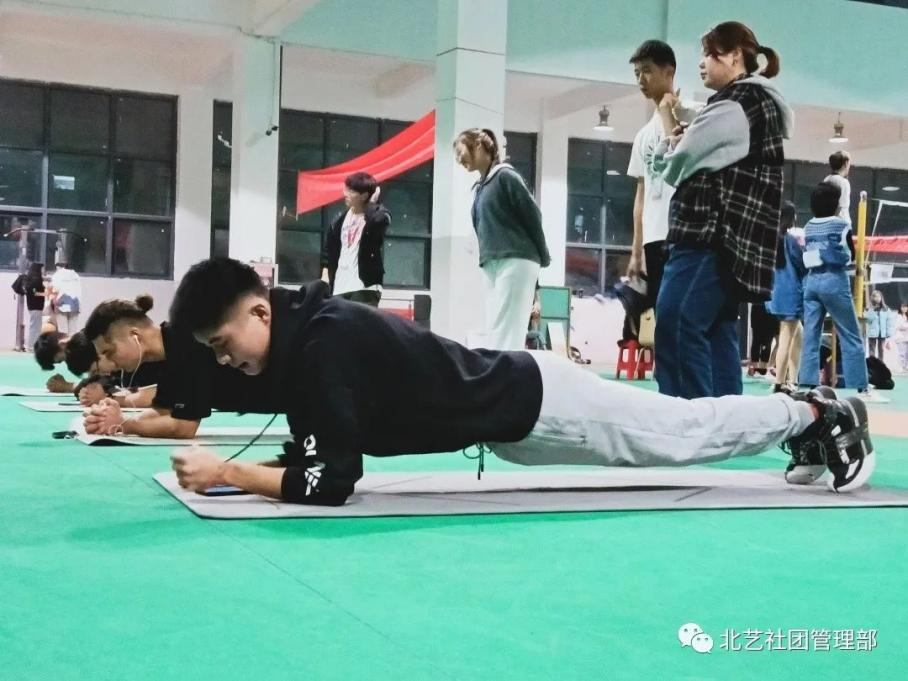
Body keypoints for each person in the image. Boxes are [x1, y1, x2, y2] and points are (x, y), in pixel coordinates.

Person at [166, 258, 873, 506]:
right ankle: (801, 415)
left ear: (260, 312)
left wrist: (227, 471)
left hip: (543, 404)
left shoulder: (323, 344)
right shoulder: (304, 339)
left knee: (684, 435)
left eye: (224, 346)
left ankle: (813, 414)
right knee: (680, 433)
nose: (225, 363)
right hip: (518, 422)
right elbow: (316, 452)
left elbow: (333, 481)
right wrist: (236, 475)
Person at [651, 22, 792, 399]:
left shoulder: (734, 104)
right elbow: (700, 132)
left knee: (677, 323)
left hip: (708, 234)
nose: (702, 63)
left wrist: (669, 133)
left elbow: (675, 166)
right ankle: (729, 423)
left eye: (709, 54)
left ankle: (689, 421)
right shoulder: (756, 102)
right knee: (716, 332)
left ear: (734, 56)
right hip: (732, 242)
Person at [81, 295, 274, 439]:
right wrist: (110, 418)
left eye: (109, 351)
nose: (110, 362)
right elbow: (163, 411)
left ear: (135, 336)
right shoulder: (169, 350)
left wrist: (124, 425)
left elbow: (184, 427)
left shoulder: (188, 341)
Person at [454, 128, 551, 350]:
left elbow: (533, 216)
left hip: (516, 258)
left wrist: (543, 256)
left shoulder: (505, 176)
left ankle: (506, 369)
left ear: (479, 146)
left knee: (507, 330)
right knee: (496, 327)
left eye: (460, 151)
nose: (459, 159)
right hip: (493, 262)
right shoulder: (481, 186)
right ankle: (499, 368)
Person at [626, 40, 702, 309]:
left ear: (669, 72)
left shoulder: (695, 116)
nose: (641, 80)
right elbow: (641, 196)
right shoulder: (642, 135)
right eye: (637, 73)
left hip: (685, 234)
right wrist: (636, 251)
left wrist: (668, 114)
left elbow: (683, 164)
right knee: (662, 316)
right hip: (654, 238)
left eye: (647, 71)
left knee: (684, 314)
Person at [798, 182, 883, 402]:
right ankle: (861, 387)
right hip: (834, 281)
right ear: (835, 204)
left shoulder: (808, 226)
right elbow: (850, 255)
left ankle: (806, 384)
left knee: (810, 336)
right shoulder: (840, 225)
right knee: (850, 335)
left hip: (811, 282)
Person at [320, 172, 390, 308]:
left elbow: (378, 221)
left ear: (364, 195)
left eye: (351, 191)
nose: (345, 194)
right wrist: (325, 275)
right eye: (346, 189)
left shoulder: (379, 214)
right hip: (339, 286)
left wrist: (372, 203)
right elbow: (328, 251)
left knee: (359, 322)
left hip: (365, 286)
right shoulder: (339, 219)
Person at [766, 202, 806, 392]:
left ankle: (793, 380)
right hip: (791, 295)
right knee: (786, 339)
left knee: (798, 336)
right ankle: (779, 383)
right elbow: (802, 264)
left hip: (775, 295)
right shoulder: (789, 241)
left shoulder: (769, 240)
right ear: (791, 218)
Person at [11, 262, 46, 349]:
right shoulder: (36, 280)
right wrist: (45, 293)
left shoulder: (31, 279)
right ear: (38, 269)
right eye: (42, 269)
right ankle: (30, 345)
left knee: (35, 326)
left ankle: (32, 345)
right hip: (36, 306)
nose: (43, 271)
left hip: (32, 306)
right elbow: (34, 293)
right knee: (35, 327)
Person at [48, 260, 82, 334]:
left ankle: (64, 341)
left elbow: (53, 290)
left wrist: (52, 303)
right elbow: (79, 291)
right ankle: (72, 341)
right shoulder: (76, 276)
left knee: (62, 331)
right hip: (74, 305)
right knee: (73, 331)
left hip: (61, 304)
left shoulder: (57, 275)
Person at [824, 151, 852, 224]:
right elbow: (839, 206)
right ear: (846, 163)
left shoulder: (826, 179)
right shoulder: (844, 182)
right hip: (840, 223)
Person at [864, 289, 891, 361]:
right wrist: (872, 310)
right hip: (872, 333)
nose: (877, 298)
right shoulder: (868, 308)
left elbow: (889, 322)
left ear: (881, 298)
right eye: (875, 296)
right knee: (872, 350)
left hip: (882, 333)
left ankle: (880, 364)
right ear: (872, 298)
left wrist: (888, 334)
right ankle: (872, 365)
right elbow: (868, 320)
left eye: (879, 296)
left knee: (881, 350)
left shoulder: (886, 308)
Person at [894, 302, 908, 373]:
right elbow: (899, 326)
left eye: (906, 307)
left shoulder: (906, 316)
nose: (904, 308)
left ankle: (905, 367)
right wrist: (906, 326)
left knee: (906, 353)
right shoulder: (898, 316)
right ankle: (901, 367)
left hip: (906, 337)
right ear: (900, 308)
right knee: (902, 353)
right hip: (900, 338)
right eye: (903, 307)